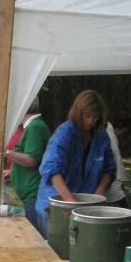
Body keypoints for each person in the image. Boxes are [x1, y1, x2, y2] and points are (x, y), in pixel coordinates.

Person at [36, 90, 117, 236]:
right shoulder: (64, 133)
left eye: (95, 117)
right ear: (78, 113)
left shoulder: (101, 135)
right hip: (57, 203)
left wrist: (99, 194)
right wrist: (70, 202)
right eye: (87, 116)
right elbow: (51, 169)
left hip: (86, 205)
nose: (90, 121)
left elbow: (109, 169)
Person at [6, 97, 51, 232]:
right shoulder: (33, 126)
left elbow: (31, 160)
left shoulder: (35, 127)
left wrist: (6, 152)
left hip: (33, 194)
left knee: (34, 237)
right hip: (30, 194)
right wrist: (12, 172)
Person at [104, 112, 131, 207]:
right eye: (124, 132)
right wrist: (124, 180)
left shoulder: (107, 130)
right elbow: (117, 159)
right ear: (120, 128)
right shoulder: (110, 135)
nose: (122, 135)